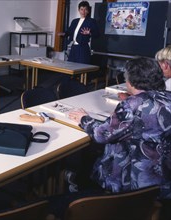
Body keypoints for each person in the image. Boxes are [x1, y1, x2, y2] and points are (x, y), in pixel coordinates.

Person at [68, 57, 171, 199]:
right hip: (164, 173)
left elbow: (102, 134)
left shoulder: (133, 105)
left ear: (130, 81)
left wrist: (83, 118)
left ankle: (79, 187)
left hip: (138, 179)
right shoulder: (167, 97)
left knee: (90, 151)